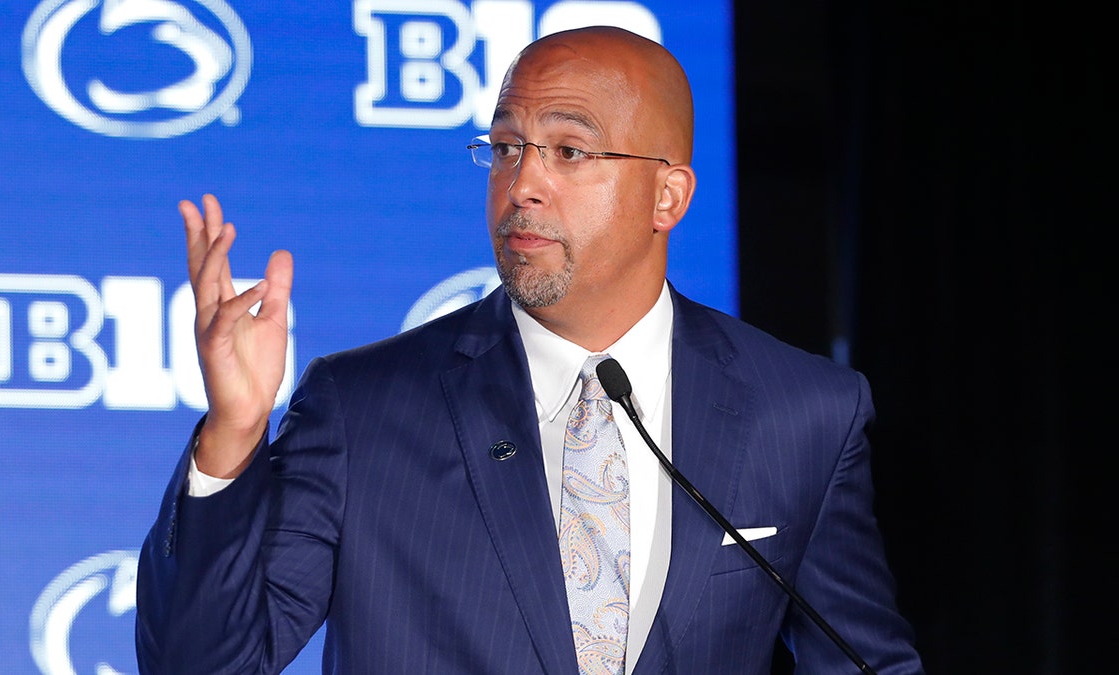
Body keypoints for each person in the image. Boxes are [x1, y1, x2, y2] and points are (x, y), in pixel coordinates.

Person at [135, 26, 924, 675]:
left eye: (568, 152)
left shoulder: (803, 412)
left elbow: (865, 662)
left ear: (668, 197)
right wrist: (234, 434)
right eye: (506, 147)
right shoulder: (362, 409)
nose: (522, 186)